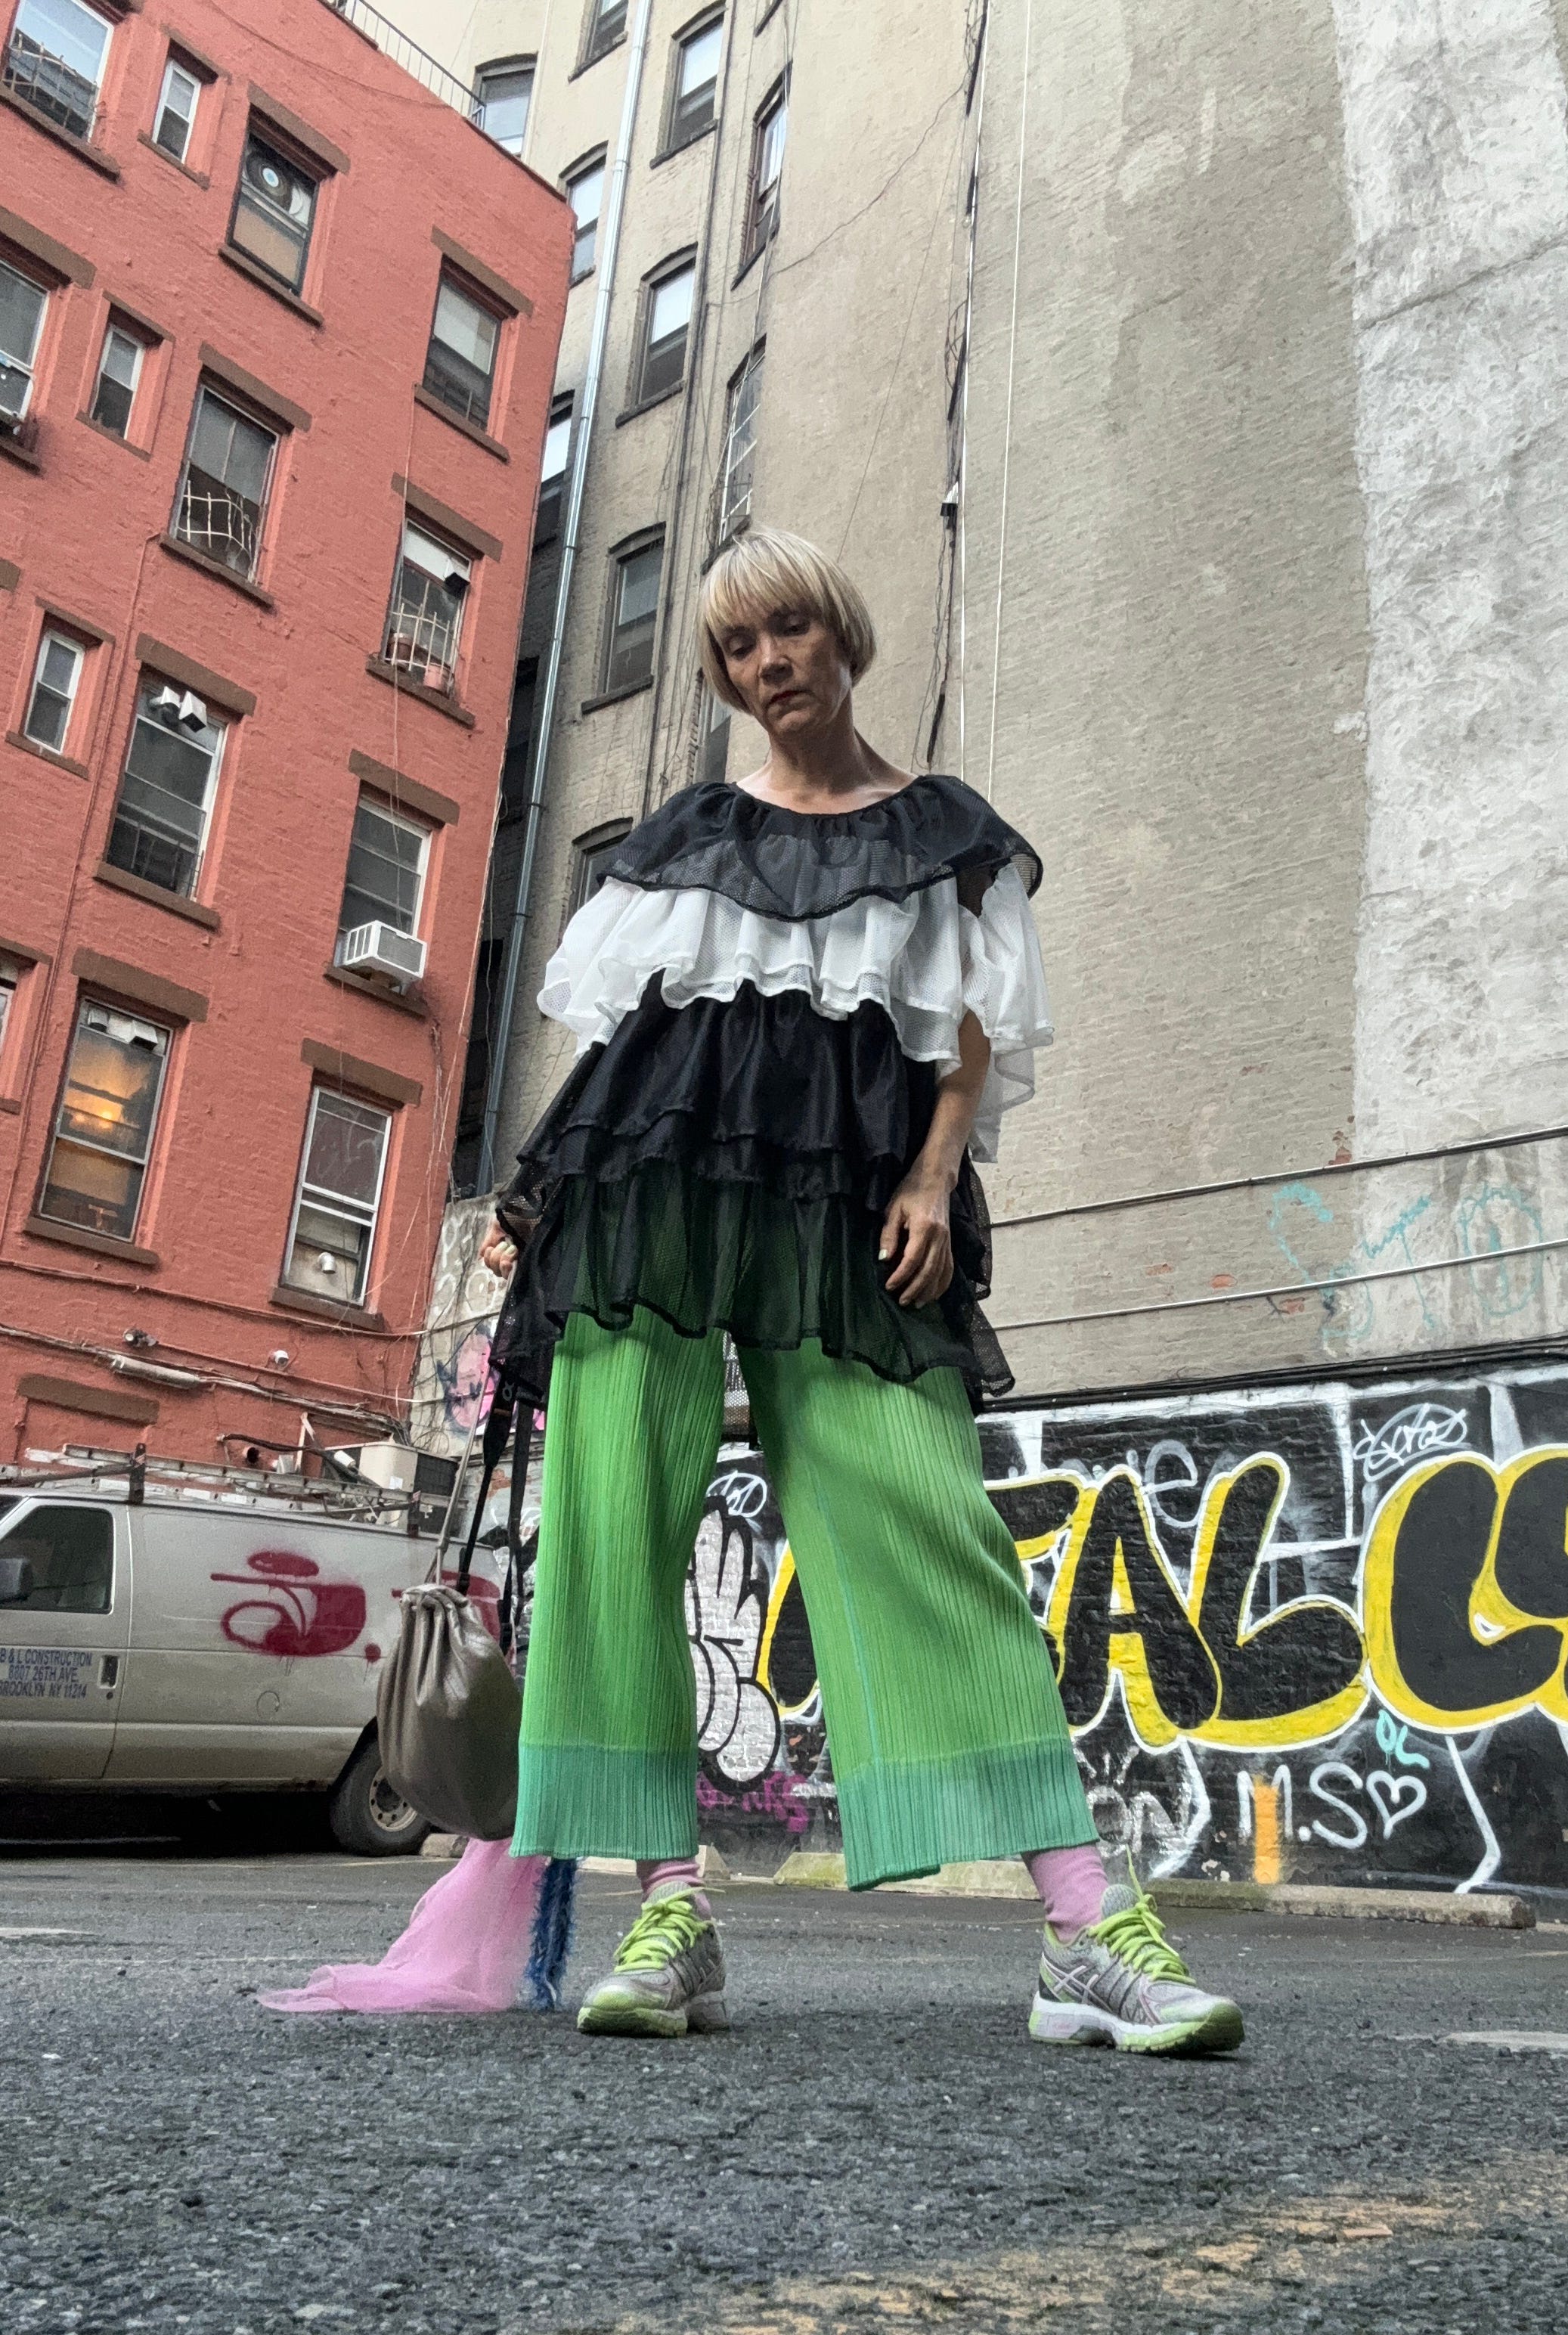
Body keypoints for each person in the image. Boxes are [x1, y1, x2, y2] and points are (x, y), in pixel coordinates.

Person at [479, 528, 1242, 2055]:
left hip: (856, 1198)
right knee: (617, 1514)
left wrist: (933, 1179)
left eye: (789, 629)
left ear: (843, 634)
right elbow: (626, 1039)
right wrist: (540, 1199)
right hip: (656, 1194)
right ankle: (670, 1906)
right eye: (735, 647)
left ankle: (1083, 1924)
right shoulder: (689, 831)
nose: (767, 663)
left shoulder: (946, 834)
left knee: (924, 1509)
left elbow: (970, 1038)